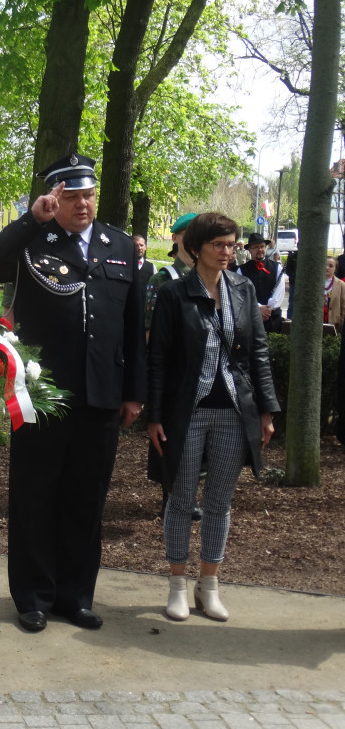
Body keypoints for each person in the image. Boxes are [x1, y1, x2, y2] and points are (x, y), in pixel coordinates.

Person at [0, 153, 145, 633]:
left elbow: (133, 325)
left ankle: (76, 595)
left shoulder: (118, 245)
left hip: (101, 395)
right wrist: (32, 219)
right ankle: (33, 596)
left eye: (88, 195)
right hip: (43, 395)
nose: (82, 204)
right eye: (71, 197)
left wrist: (133, 393)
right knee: (35, 495)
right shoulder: (36, 239)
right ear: (54, 198)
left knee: (86, 498)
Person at [147, 212, 278, 621]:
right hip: (188, 412)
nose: (227, 252)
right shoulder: (174, 294)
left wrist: (268, 411)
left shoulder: (242, 289)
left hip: (232, 412)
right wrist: (154, 416)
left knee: (220, 503)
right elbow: (158, 361)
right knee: (181, 500)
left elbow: (258, 353)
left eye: (232, 245)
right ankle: (176, 587)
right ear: (196, 249)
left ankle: (209, 587)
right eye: (218, 245)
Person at [143, 213, 203, 522]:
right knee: (171, 434)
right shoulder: (163, 279)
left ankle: (188, 496)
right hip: (172, 372)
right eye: (186, 234)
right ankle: (170, 496)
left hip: (202, 370)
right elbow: (150, 330)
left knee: (198, 434)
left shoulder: (210, 276)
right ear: (176, 238)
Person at [238, 233, 286, 333]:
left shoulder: (277, 268)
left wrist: (267, 310)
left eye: (262, 246)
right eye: (255, 247)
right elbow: (241, 294)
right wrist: (258, 308)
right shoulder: (241, 270)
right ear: (249, 250)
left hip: (272, 318)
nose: (260, 249)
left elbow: (280, 292)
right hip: (251, 318)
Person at [132, 234, 154, 309]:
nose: (139, 248)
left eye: (141, 245)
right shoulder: (127, 266)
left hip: (145, 308)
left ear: (145, 247)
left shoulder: (152, 267)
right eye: (136, 245)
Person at [324, 257, 345, 334]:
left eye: (330, 266)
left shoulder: (341, 285)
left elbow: (343, 307)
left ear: (335, 269)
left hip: (333, 324)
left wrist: (341, 324)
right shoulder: (314, 283)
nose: (327, 268)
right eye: (325, 265)